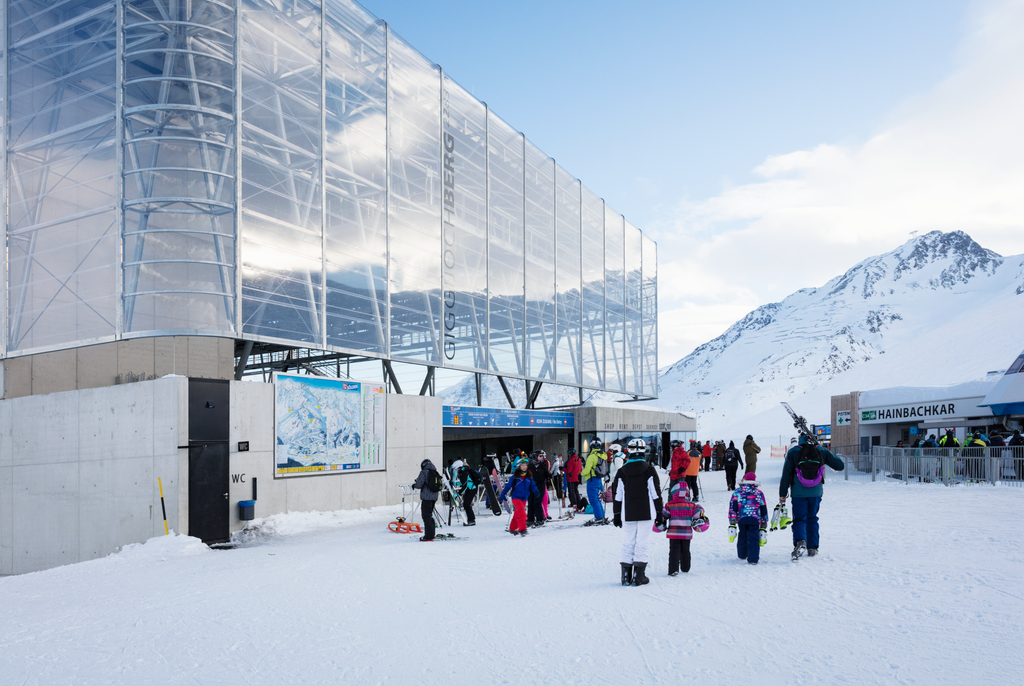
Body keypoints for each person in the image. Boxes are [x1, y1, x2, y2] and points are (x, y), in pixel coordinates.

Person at [779, 435, 844, 559]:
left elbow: (786, 474)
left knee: (799, 519)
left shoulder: (793, 452)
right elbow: (840, 466)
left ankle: (800, 541)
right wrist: (825, 452)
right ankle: (812, 547)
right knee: (812, 518)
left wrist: (782, 494)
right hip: (816, 492)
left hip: (798, 493)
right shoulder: (821, 450)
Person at [612, 439, 663, 586]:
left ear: (629, 451)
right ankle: (639, 577)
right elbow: (655, 494)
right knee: (642, 542)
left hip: (627, 514)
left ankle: (625, 577)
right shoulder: (649, 470)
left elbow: (617, 496)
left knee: (628, 542)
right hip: (646, 513)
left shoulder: (622, 472)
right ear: (643, 451)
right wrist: (659, 513)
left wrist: (616, 515)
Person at [662, 481, 707, 576]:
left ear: (674, 493)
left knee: (674, 550)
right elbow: (698, 515)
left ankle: (673, 570)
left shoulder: (670, 505)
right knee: (685, 550)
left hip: (673, 533)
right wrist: (700, 508)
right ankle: (685, 567)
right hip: (686, 533)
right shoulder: (691, 505)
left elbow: (664, 515)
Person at [729, 471, 768, 565]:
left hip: (742, 518)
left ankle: (742, 554)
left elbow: (733, 506)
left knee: (742, 535)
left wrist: (732, 518)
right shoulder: (759, 493)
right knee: (754, 538)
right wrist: (764, 520)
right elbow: (763, 507)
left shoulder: (737, 492)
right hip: (754, 519)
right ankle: (753, 559)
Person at [500, 457, 539, 536]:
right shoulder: (514, 477)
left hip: (524, 498)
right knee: (523, 514)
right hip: (516, 497)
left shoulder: (529, 476)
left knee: (517, 514)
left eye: (525, 465)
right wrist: (502, 495)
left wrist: (536, 491)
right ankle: (522, 529)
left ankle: (512, 528)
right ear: (519, 466)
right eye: (522, 465)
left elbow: (533, 485)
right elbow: (508, 487)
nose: (524, 467)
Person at [411, 459, 442, 541]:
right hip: (434, 497)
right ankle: (432, 533)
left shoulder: (424, 472)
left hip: (426, 497)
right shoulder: (435, 472)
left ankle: (429, 536)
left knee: (426, 516)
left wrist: (414, 485)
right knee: (429, 515)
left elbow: (419, 484)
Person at [452, 460, 481, 526]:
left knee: (466, 505)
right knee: (467, 505)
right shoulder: (463, 472)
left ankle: (471, 520)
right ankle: (471, 519)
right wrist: (455, 483)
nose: (455, 470)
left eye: (455, 469)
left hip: (471, 489)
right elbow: (464, 482)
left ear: (458, 467)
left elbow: (465, 485)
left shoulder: (465, 473)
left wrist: (458, 494)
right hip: (470, 489)